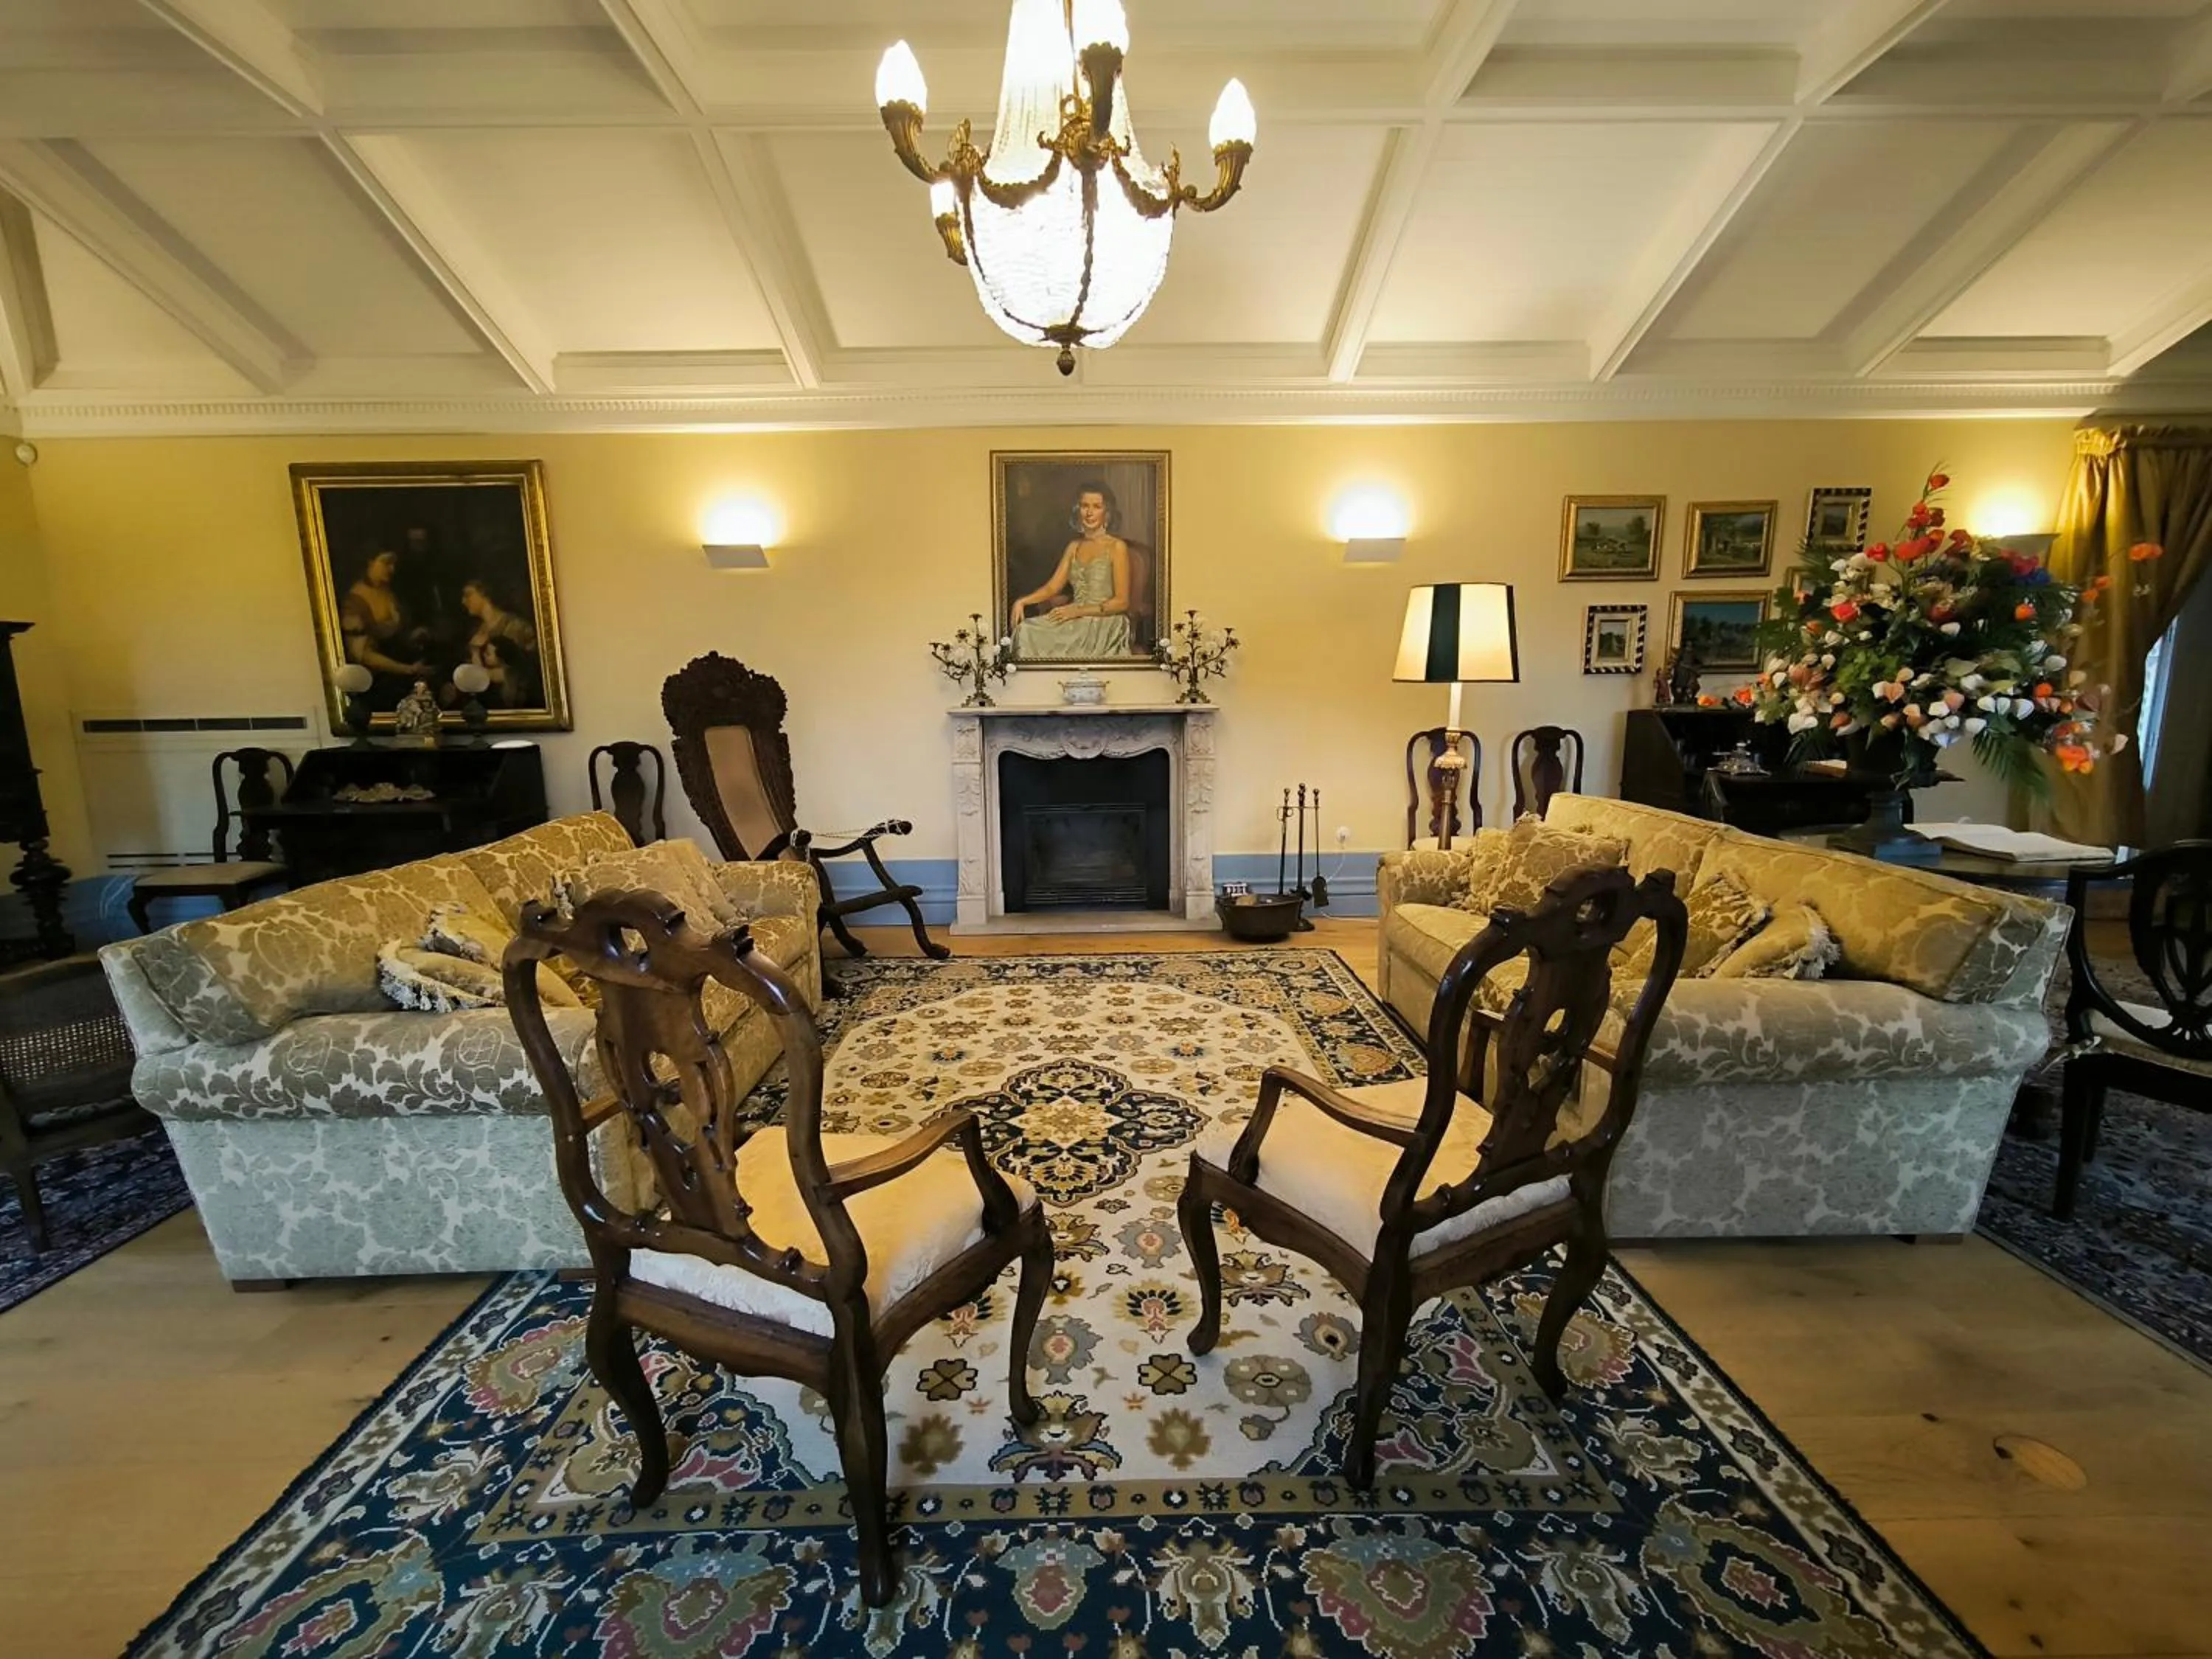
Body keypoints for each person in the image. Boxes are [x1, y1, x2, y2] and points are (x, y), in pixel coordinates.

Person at [1009, 483, 1134, 661]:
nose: (1089, 513)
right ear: (1078, 510)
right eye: (1085, 506)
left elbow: (1122, 602)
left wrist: (1079, 611)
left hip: (1103, 621)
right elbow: (1052, 587)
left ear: (1107, 513)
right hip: (1074, 616)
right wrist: (1022, 601)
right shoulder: (1073, 547)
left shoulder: (1117, 547)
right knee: (1026, 630)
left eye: (1097, 507)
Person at [339, 549, 431, 700]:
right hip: (378, 679)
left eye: (394, 564)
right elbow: (362, 654)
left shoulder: (389, 592)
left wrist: (413, 636)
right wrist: (407, 670)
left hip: (403, 666)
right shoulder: (354, 602)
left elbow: (397, 631)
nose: (392, 569)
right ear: (370, 562)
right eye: (386, 563)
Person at [459, 578, 540, 708]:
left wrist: (498, 675)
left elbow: (533, 670)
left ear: (485, 594)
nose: (463, 601)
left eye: (468, 595)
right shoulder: (476, 632)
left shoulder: (517, 626)